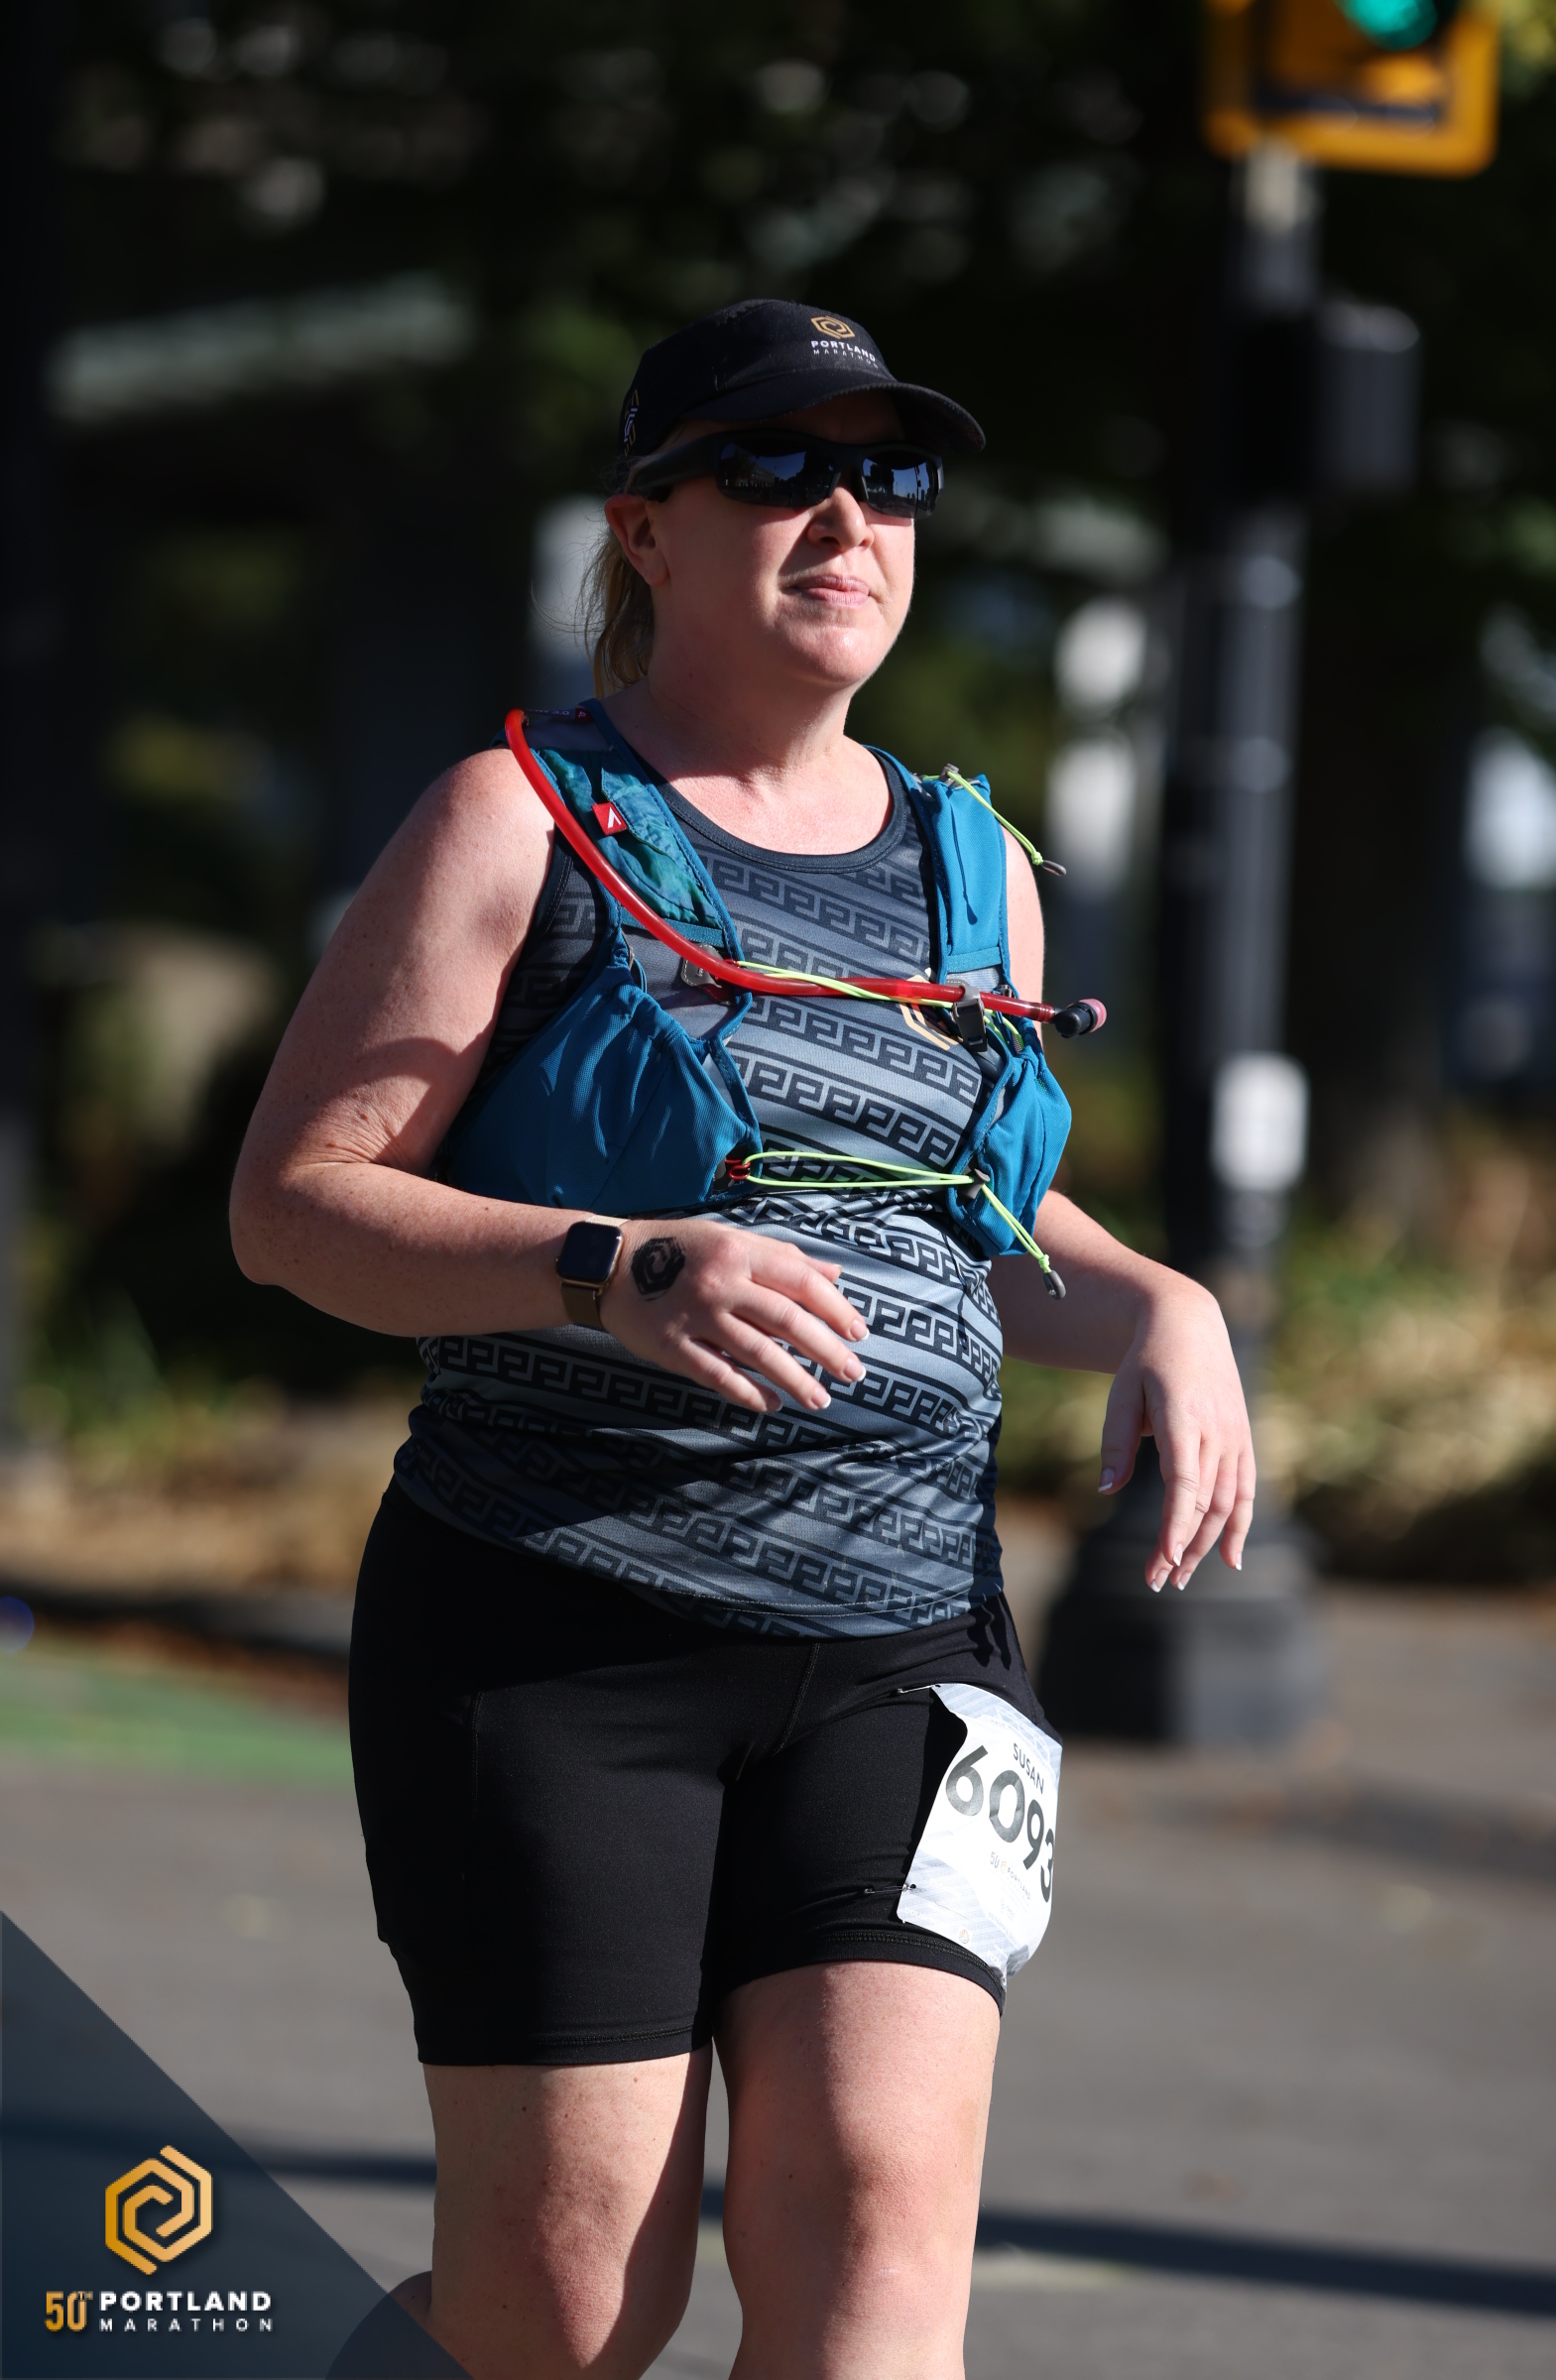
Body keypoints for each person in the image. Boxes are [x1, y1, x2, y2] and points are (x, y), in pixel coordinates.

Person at [231, 298, 1255, 2380]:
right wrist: (615, 1265)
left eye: (888, 476)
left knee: (879, 2257)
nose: (844, 517)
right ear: (646, 528)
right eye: (774, 467)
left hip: (902, 1648)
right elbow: (296, 1207)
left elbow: (961, 1224)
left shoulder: (976, 863)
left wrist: (1162, 1301)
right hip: (555, 1628)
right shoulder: (518, 820)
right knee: (566, 2314)